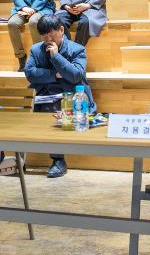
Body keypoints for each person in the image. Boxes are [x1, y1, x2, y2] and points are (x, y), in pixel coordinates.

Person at [24, 14, 96, 178]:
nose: (48, 39)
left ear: (61, 30)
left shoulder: (77, 49)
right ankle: (20, 158)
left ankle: (58, 160)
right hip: (45, 95)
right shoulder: (36, 50)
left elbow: (75, 75)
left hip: (72, 97)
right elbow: (30, 73)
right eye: (44, 36)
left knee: (56, 108)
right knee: (33, 109)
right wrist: (55, 75)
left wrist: (56, 57)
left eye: (51, 34)